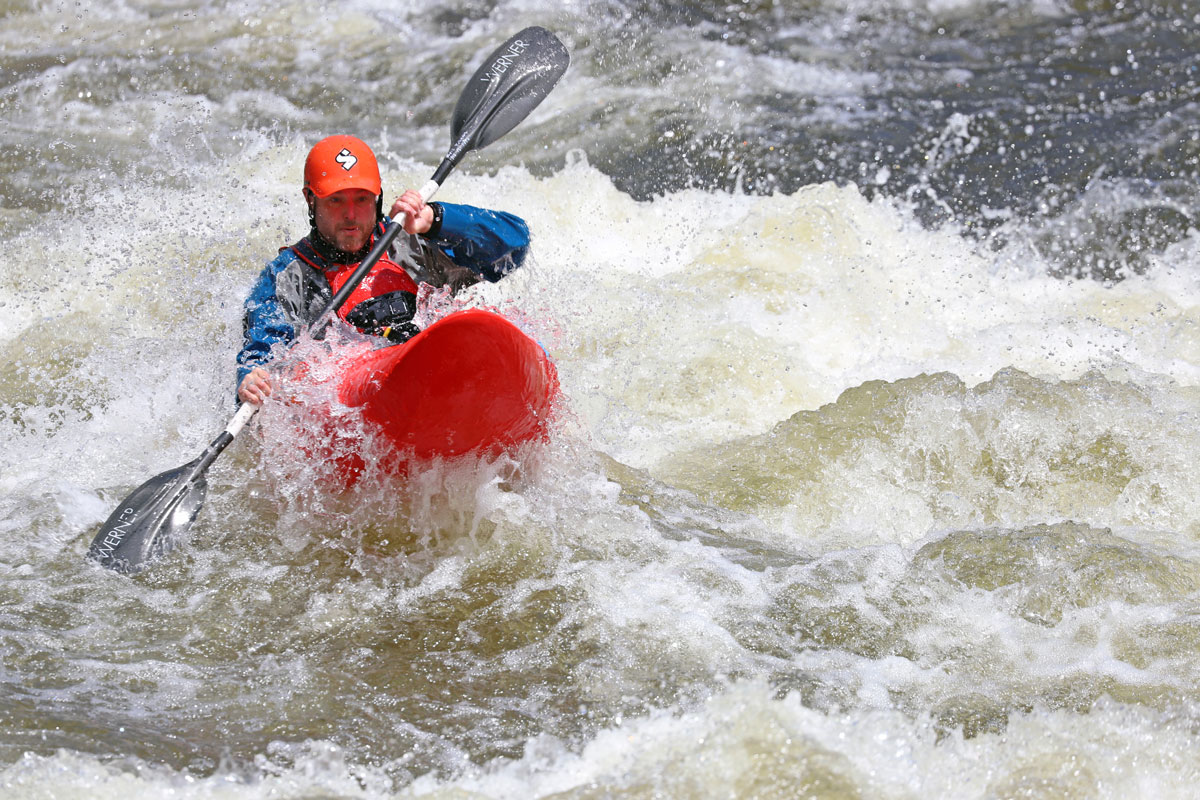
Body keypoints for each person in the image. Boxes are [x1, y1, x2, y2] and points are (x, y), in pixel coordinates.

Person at [236, 134, 531, 406]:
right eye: (336, 200)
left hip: (441, 375)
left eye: (362, 199)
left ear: (377, 197)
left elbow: (514, 246)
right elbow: (262, 354)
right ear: (310, 199)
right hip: (365, 401)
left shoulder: (414, 242)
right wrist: (251, 379)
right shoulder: (287, 276)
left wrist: (436, 219)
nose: (351, 215)